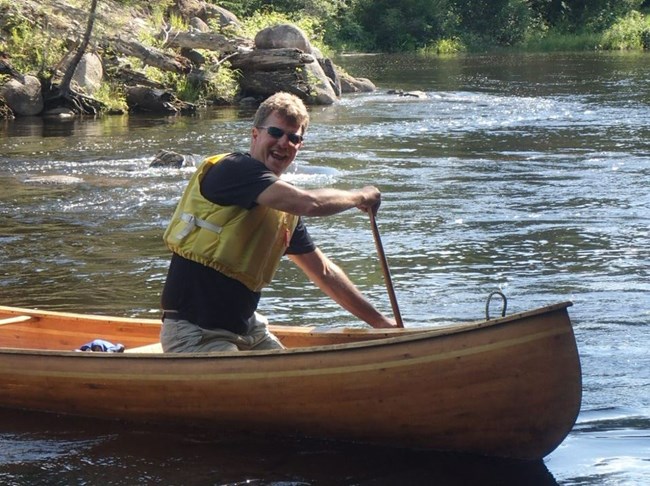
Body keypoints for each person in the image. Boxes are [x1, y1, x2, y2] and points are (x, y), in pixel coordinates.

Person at [160, 91, 397, 353]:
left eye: (293, 137)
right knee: (270, 391)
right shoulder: (234, 169)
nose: (284, 143)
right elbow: (311, 203)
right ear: (255, 134)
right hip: (196, 334)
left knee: (296, 386)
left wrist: (383, 325)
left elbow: (324, 273)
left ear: (299, 145)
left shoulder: (281, 210)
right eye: (276, 132)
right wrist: (361, 196)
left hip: (248, 331)